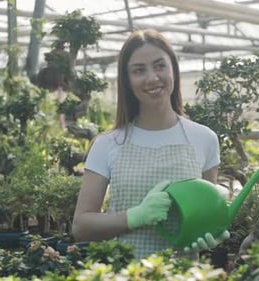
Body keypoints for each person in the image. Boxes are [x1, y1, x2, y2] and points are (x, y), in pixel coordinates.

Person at [72, 29, 230, 259]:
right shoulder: (107, 144)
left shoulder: (204, 138)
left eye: (159, 66)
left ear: (173, 69)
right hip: (122, 273)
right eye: (139, 70)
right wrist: (135, 216)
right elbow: (81, 227)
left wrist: (209, 233)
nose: (152, 78)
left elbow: (205, 213)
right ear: (127, 80)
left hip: (183, 274)